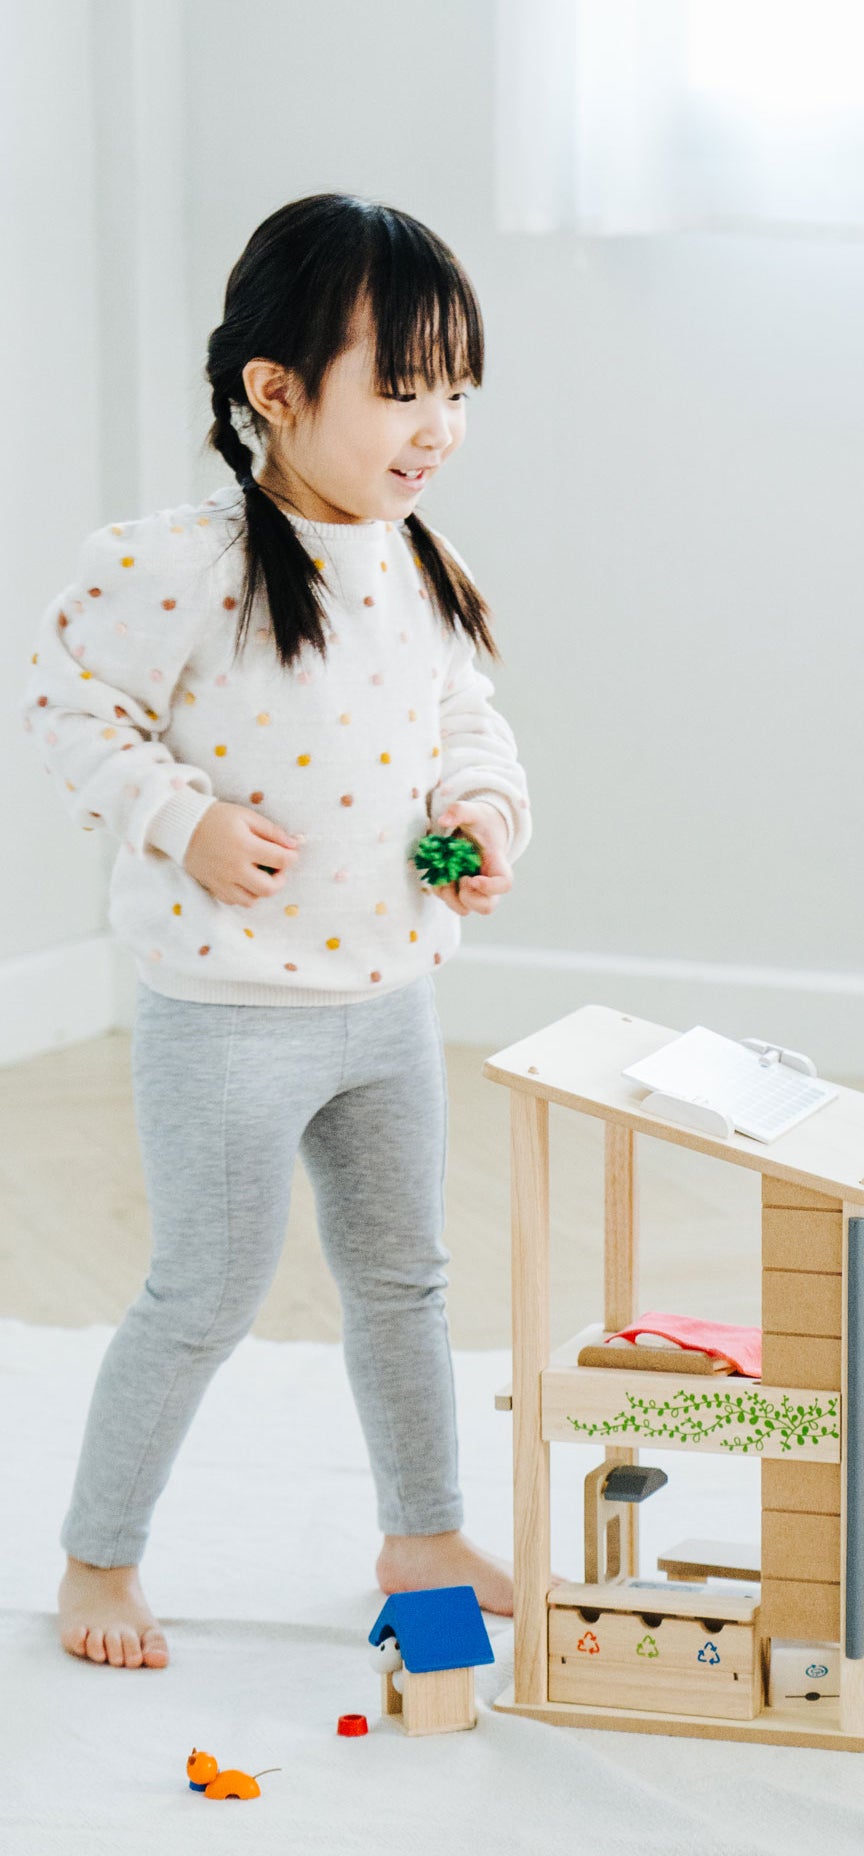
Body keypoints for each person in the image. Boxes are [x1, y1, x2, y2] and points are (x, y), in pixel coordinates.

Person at [19, 194, 531, 1669]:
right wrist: (181, 819)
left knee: (405, 1278)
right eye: (401, 388)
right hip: (229, 1008)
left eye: (457, 390)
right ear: (276, 392)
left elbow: (463, 728)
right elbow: (68, 700)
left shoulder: (416, 557)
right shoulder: (177, 562)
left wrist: (480, 829)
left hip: (389, 998)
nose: (435, 425)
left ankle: (420, 1530)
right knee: (203, 1291)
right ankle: (98, 1558)